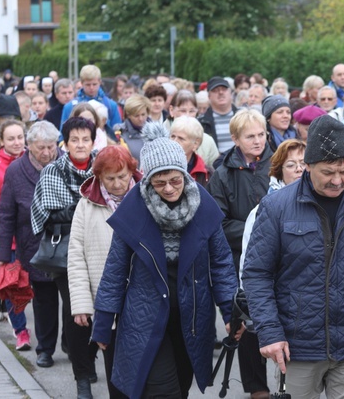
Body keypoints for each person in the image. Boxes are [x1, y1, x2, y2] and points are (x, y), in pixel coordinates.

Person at [243, 115, 344, 399]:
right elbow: (257, 274)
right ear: (308, 165)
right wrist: (269, 332)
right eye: (328, 172)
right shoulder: (276, 207)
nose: (338, 180)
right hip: (295, 346)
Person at [91, 124, 238, 398]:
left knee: (181, 387)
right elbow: (115, 269)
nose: (168, 188)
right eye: (159, 182)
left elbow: (221, 264)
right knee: (162, 391)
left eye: (175, 180)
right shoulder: (134, 209)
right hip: (145, 316)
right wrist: (102, 323)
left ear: (185, 175)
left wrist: (231, 313)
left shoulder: (204, 207)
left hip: (191, 318)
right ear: (147, 180)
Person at [31, 117, 99, 398]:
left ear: (93, 142)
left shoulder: (104, 167)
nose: (80, 145)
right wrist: (86, 210)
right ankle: (82, 377)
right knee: (77, 313)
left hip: (100, 250)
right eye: (75, 140)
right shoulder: (52, 172)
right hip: (66, 255)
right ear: (66, 143)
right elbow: (45, 214)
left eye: (86, 139)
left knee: (99, 311)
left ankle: (89, 356)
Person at [207, 109, 272, 398]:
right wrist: (255, 230)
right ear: (235, 139)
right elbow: (217, 223)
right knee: (248, 324)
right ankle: (257, 387)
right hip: (240, 259)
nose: (258, 141)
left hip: (280, 256)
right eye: (250, 136)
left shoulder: (278, 163)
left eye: (261, 134)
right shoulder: (222, 174)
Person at [68, 146, 140, 399]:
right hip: (106, 300)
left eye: (122, 176)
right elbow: (76, 256)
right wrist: (80, 304)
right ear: (99, 177)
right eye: (110, 179)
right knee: (114, 367)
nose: (118, 183)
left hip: (142, 300)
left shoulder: (145, 198)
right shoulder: (86, 205)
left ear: (132, 170)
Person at [0, 121, 62, 368]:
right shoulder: (16, 171)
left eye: (51, 147)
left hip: (66, 244)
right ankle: (45, 348)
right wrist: (1, 253)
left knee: (73, 299)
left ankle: (73, 345)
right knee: (43, 299)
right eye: (40, 147)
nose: (46, 152)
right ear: (29, 146)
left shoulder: (65, 164)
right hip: (33, 246)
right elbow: (5, 214)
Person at [238, 139, 306, 289]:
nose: (299, 169)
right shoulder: (261, 211)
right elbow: (250, 266)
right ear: (279, 171)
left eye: (304, 163)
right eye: (291, 165)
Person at [0, 120, 29, 345]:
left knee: (35, 288)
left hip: (32, 238)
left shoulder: (32, 161)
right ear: (2, 141)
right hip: (8, 239)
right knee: (14, 286)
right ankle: (21, 331)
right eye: (11, 138)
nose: (16, 143)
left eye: (20, 138)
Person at [165, 89, 220, 167]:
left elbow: (215, 173)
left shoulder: (207, 140)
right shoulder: (158, 136)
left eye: (192, 111)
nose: (187, 115)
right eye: (183, 111)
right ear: (171, 110)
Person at [60, 65, 122, 130]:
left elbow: (118, 133)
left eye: (94, 84)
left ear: (100, 82)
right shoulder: (70, 106)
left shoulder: (111, 105)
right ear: (81, 83)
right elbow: (63, 134)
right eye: (88, 84)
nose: (91, 88)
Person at [199, 77, 238, 156]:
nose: (220, 92)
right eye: (215, 90)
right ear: (209, 96)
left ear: (230, 93)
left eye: (224, 89)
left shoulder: (243, 117)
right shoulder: (201, 122)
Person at [170, 116, 212, 187]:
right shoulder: (158, 167)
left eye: (181, 138)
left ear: (196, 143)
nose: (174, 142)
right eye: (173, 136)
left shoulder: (207, 174)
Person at [114, 94, 151, 163]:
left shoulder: (156, 132)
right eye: (136, 115)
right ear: (129, 115)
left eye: (143, 114)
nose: (141, 119)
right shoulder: (119, 132)